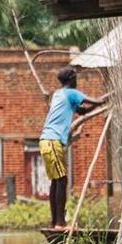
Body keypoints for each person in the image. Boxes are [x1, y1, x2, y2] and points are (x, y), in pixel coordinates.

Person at [39, 65, 108, 228]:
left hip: (46, 141)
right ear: (71, 79)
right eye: (76, 77)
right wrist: (110, 95)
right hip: (53, 140)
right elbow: (96, 101)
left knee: (56, 181)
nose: (77, 80)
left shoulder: (58, 94)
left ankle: (55, 222)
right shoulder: (71, 93)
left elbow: (82, 111)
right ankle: (60, 222)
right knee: (61, 180)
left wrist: (100, 103)